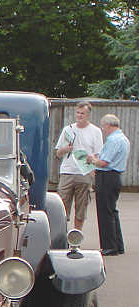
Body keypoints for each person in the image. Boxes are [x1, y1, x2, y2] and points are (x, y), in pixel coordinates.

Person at [54, 101, 103, 230]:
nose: (80, 115)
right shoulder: (68, 129)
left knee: (81, 208)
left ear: (88, 115)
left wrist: (91, 161)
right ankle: (61, 236)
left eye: (83, 113)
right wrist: (66, 149)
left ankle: (76, 237)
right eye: (78, 113)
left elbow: (98, 155)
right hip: (67, 173)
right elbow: (58, 153)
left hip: (84, 173)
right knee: (62, 206)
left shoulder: (96, 131)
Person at [86, 114, 130, 256]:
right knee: (112, 211)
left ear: (108, 125)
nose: (103, 129)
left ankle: (109, 246)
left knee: (105, 212)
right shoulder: (123, 139)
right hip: (115, 177)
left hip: (106, 176)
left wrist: (92, 159)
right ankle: (118, 245)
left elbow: (104, 162)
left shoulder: (113, 140)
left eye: (104, 126)